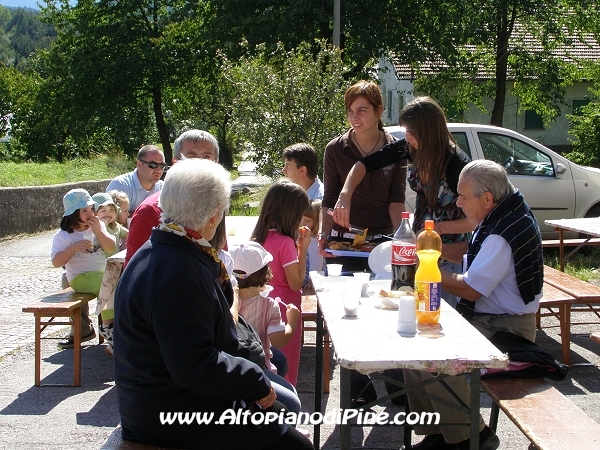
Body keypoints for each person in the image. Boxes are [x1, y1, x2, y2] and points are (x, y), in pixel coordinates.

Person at [114, 159, 313, 450]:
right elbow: (194, 364)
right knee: (295, 445)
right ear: (213, 216)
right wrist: (254, 380)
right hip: (168, 415)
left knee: (283, 418)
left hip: (161, 402)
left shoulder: (164, 246)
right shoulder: (178, 269)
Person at [403, 160, 543, 450]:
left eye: (464, 197)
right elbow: (471, 258)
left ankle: (473, 436)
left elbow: (471, 288)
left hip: (506, 330)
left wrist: (428, 270)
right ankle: (441, 433)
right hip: (491, 320)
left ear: (487, 199)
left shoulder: (504, 231)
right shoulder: (502, 216)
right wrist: (429, 251)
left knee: (436, 359)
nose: (458, 201)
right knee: (414, 350)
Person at [332, 96, 474, 307]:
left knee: (441, 314)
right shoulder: (411, 149)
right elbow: (364, 164)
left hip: (449, 255)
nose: (406, 137)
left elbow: (475, 221)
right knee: (414, 308)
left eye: (411, 132)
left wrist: (438, 229)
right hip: (418, 250)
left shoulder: (457, 165)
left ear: (428, 132)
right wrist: (345, 195)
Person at [318, 80, 407, 272]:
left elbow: (396, 201)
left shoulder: (396, 150)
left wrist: (404, 242)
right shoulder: (335, 149)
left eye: (361, 110)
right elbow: (330, 198)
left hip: (381, 243)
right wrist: (323, 235)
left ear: (379, 110)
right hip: (341, 243)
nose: (354, 117)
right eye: (350, 111)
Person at [124, 130, 220, 265]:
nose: (199, 164)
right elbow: (134, 271)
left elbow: (220, 253)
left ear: (217, 164)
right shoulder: (149, 211)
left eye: (206, 158)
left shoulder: (216, 206)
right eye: (191, 157)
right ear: (175, 162)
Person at [251, 179, 311, 386]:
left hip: (261, 308)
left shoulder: (259, 237)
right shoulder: (286, 243)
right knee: (287, 363)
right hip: (286, 310)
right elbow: (296, 283)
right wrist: (303, 249)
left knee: (267, 362)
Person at [230, 241, 302, 414]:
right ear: (265, 273)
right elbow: (279, 341)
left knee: (280, 361)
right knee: (293, 401)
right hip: (257, 365)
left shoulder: (227, 300)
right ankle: (285, 432)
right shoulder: (269, 306)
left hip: (234, 362)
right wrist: (292, 321)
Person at [50, 189, 116, 349]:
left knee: (120, 283)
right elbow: (56, 262)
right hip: (80, 277)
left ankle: (122, 325)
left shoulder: (97, 226)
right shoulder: (65, 235)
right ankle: (110, 329)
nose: (90, 213)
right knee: (107, 287)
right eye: (84, 210)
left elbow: (111, 248)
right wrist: (72, 248)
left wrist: (99, 232)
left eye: (92, 209)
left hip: (101, 273)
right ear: (73, 214)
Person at [106, 144, 166, 213]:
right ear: (139, 164)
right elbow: (113, 217)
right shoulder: (120, 185)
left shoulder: (163, 188)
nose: (159, 170)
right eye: (153, 165)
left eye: (162, 165)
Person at [301, 200, 323, 288]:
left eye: (308, 221)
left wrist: (312, 279)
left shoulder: (314, 240)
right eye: (301, 219)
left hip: (310, 275)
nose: (303, 223)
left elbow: (316, 262)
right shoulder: (301, 235)